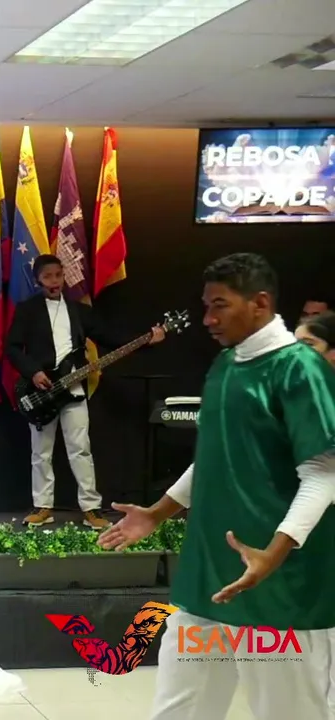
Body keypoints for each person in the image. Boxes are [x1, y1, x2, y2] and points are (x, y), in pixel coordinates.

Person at [100, 253, 335, 720]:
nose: (208, 319)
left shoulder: (301, 369)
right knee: (180, 709)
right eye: (206, 306)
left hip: (278, 588)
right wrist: (156, 513)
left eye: (220, 306)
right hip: (206, 580)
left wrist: (274, 554)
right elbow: (214, 458)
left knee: (288, 711)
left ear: (260, 303)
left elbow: (323, 474)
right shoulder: (225, 365)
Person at [6, 254, 165, 530]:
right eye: (47, 276)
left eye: (58, 275)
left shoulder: (79, 311)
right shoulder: (27, 310)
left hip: (74, 389)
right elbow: (12, 347)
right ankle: (43, 506)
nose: (54, 281)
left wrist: (147, 338)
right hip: (40, 391)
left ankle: (91, 508)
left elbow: (109, 337)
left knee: (80, 449)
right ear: (37, 280)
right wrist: (34, 372)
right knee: (41, 452)